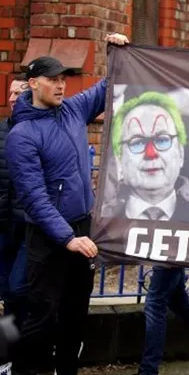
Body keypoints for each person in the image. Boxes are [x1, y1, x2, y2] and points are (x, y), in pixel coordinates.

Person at [5, 33, 129, 375]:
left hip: (81, 229)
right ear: (33, 83)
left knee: (76, 313)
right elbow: (34, 197)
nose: (61, 86)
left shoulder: (73, 109)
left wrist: (116, 51)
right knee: (42, 316)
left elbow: (109, 86)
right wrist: (66, 238)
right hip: (49, 238)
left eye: (63, 80)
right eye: (53, 80)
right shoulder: (22, 136)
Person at [102, 91, 189, 375]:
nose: (151, 155)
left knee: (155, 302)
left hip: (177, 242)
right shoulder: (112, 216)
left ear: (181, 152)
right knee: (178, 300)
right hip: (167, 245)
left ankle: (148, 370)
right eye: (137, 142)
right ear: (120, 159)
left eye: (162, 140)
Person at [0, 73, 28, 327]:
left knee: (19, 289)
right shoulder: (1, 130)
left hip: (29, 228)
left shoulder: (41, 130)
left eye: (17, 93)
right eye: (10, 93)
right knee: (6, 291)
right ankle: (9, 354)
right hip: (3, 226)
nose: (11, 98)